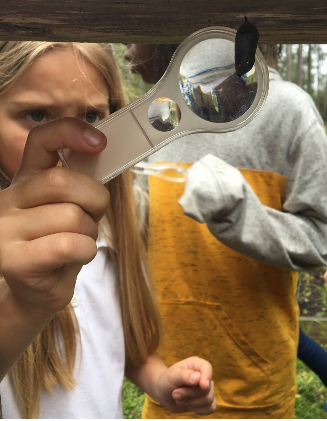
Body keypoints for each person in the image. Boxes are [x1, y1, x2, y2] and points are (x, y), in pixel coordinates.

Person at [125, 44, 327, 418]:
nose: (128, 47)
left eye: (137, 30)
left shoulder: (285, 108)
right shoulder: (158, 112)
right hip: (166, 383)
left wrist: (243, 217)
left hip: (255, 394)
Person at [0, 41, 216, 419]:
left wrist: (158, 379)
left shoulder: (111, 231)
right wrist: (22, 307)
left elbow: (118, 347)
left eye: (93, 117)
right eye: (36, 115)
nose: (67, 145)